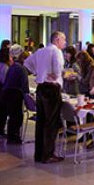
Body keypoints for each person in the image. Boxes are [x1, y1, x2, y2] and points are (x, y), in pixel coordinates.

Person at [24, 31, 66, 163]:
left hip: (41, 88)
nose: (65, 42)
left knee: (41, 122)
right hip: (51, 88)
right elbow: (58, 69)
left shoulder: (40, 51)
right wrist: (57, 74)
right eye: (63, 40)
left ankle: (39, 154)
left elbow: (27, 63)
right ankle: (48, 155)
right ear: (57, 39)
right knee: (51, 123)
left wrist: (39, 72)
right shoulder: (56, 51)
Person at [1, 47, 30, 144]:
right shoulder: (22, 69)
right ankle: (14, 137)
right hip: (15, 95)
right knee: (17, 117)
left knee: (12, 117)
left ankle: (11, 136)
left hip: (6, 93)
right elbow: (25, 86)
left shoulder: (12, 67)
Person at [0, 48, 11, 137]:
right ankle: (0, 130)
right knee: (2, 111)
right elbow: (4, 80)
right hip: (2, 92)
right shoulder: (5, 67)